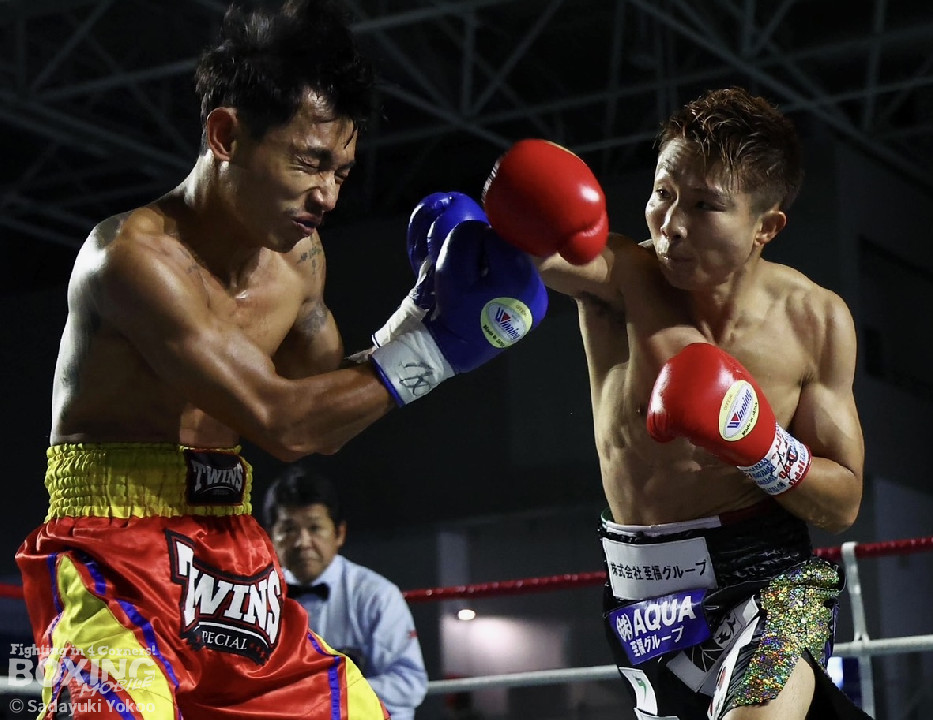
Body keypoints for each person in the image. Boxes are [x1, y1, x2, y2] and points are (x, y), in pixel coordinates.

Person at [14, 0, 547, 717]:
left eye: (343, 171)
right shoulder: (133, 259)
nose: (328, 194)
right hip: (114, 547)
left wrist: (417, 315)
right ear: (227, 134)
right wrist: (440, 348)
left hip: (229, 543)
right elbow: (283, 421)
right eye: (309, 162)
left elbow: (322, 414)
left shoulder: (300, 260)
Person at [482, 88, 867, 719]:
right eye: (664, 193)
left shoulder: (814, 320)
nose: (672, 224)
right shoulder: (621, 277)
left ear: (765, 227)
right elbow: (513, 254)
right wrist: (496, 219)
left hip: (773, 579)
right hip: (644, 598)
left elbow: (843, 502)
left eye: (706, 205)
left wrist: (762, 447)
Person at [263, 464, 428, 720]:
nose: (302, 542)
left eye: (314, 528)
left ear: (339, 533)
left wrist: (323, 695)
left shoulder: (376, 595)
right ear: (270, 538)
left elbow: (408, 683)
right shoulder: (259, 598)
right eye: (288, 529)